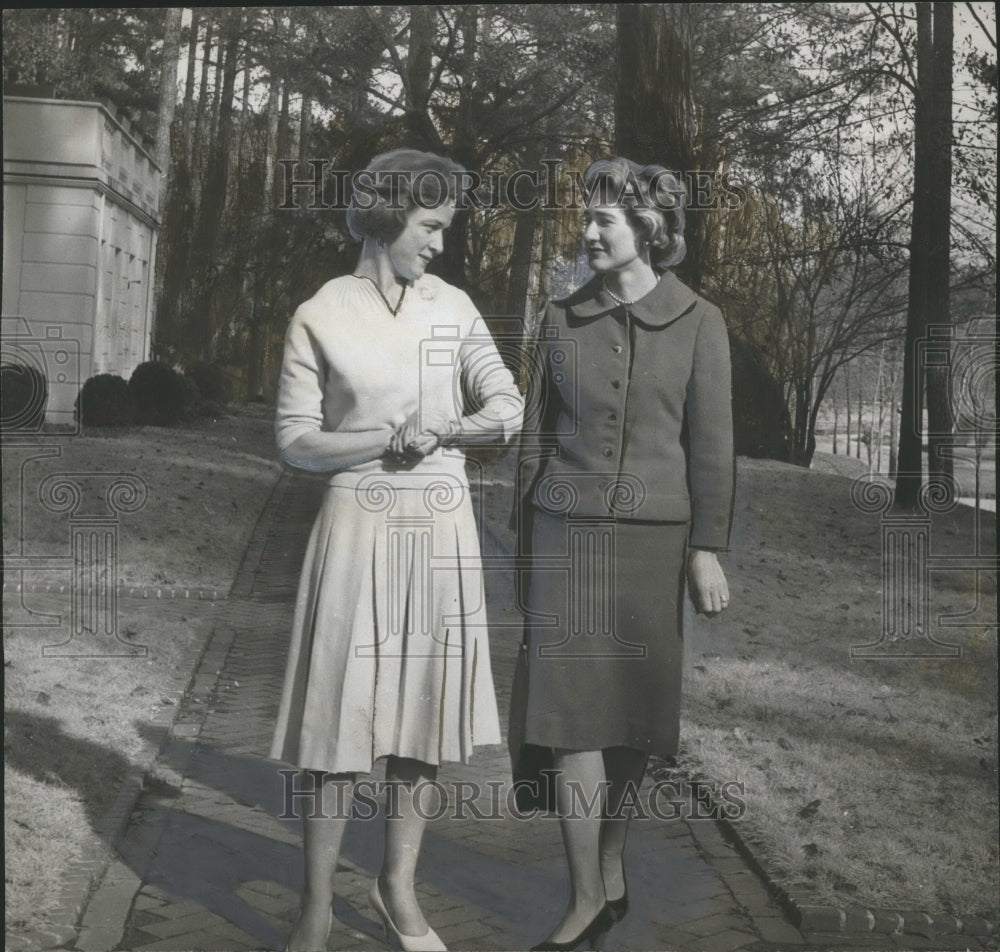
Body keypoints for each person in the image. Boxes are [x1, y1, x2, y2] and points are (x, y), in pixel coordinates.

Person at [270, 148, 523, 952]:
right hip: (354, 528)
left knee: (422, 719)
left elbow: (508, 406)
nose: (441, 244)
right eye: (430, 226)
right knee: (337, 724)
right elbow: (294, 443)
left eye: (445, 227)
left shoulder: (455, 307)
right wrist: (381, 437)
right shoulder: (321, 311)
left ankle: (397, 890)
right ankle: (314, 907)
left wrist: (446, 426)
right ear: (386, 220)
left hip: (440, 526)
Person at [514, 156, 734, 951]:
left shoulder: (699, 321)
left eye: (604, 218)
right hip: (565, 536)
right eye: (588, 215)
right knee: (569, 721)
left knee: (633, 725)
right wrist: (527, 550)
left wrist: (707, 548)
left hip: (654, 544)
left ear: (649, 228)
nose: (588, 229)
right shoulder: (560, 316)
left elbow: (712, 447)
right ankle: (582, 899)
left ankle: (610, 860)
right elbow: (534, 440)